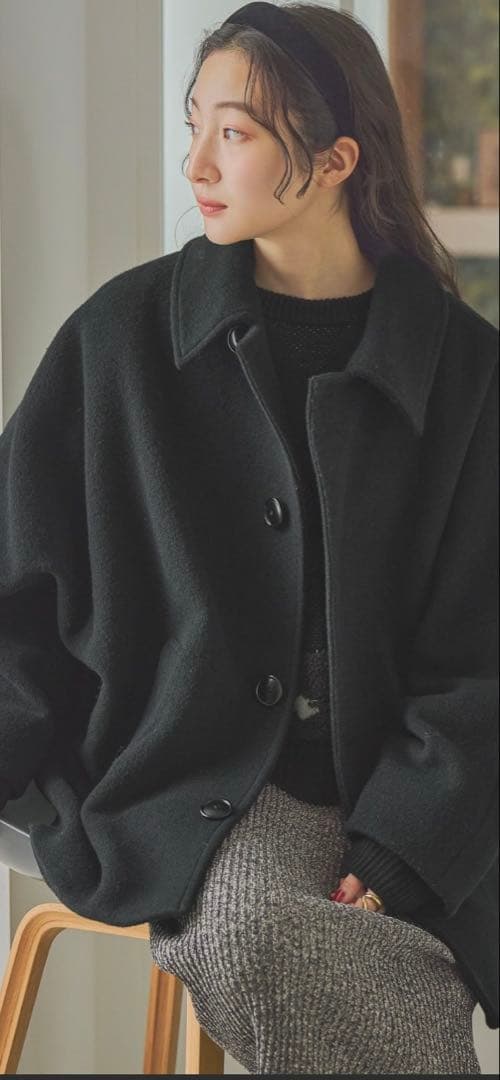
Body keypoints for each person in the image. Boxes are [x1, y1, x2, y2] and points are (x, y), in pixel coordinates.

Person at [0, 2, 497, 1074]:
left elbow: (484, 642)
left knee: (350, 938)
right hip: (199, 773)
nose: (196, 163)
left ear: (334, 160)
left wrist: (409, 838)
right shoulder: (121, 342)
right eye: (195, 127)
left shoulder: (464, 372)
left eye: (232, 132)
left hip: (414, 773)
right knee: (260, 933)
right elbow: (15, 572)